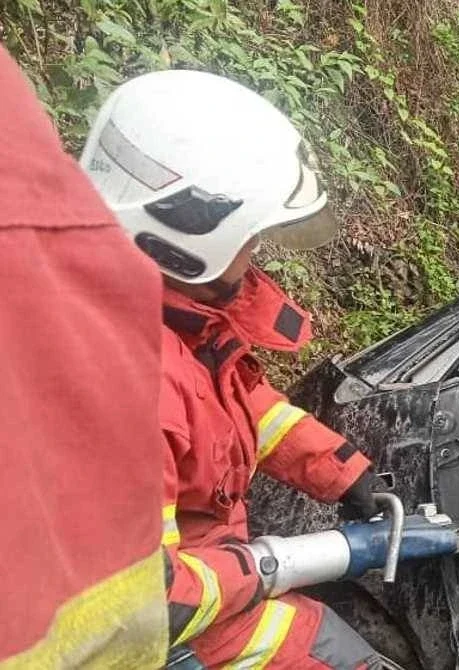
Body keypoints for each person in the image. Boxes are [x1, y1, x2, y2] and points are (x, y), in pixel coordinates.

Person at [80, 69, 393, 668]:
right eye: (250, 238)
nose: (257, 256)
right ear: (183, 235)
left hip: (212, 596)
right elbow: (149, 601)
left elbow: (239, 405)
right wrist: (277, 563)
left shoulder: (170, 317)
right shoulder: (118, 389)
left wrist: (343, 472)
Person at [0, 46, 169, 667]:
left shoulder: (211, 339)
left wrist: (341, 467)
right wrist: (258, 567)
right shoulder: (135, 352)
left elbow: (258, 414)